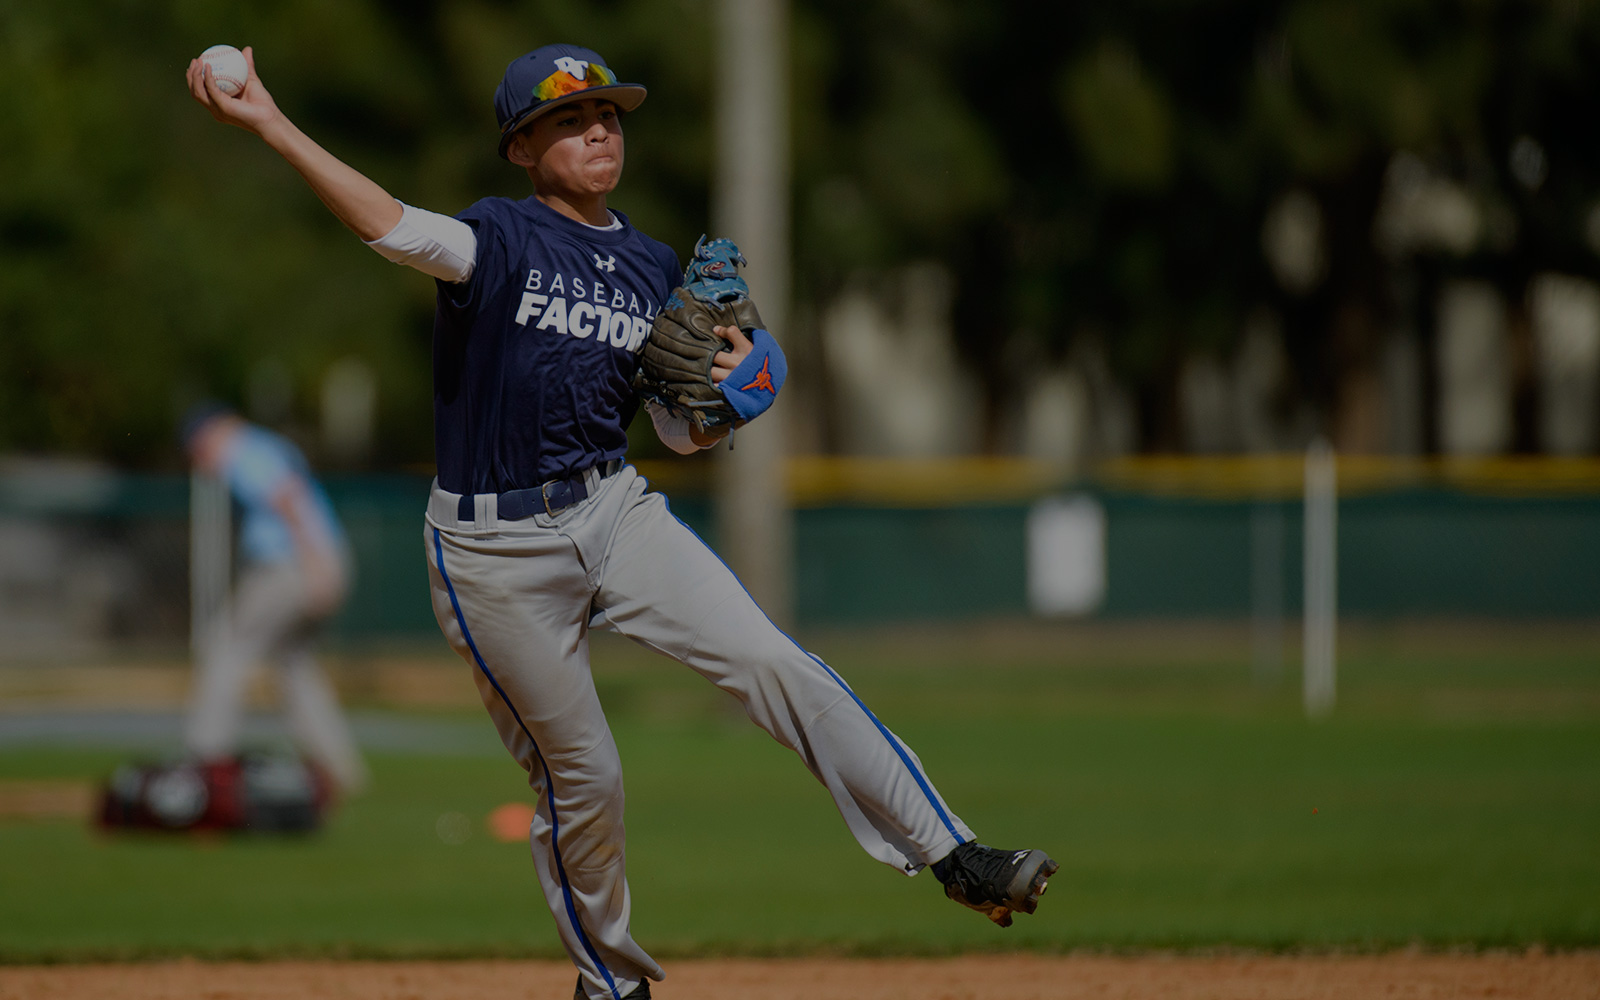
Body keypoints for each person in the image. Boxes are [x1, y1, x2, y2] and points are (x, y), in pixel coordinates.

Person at [186, 42, 1054, 1000]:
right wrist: (269, 123)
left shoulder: (651, 268)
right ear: (521, 148)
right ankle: (611, 985)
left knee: (774, 663)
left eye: (608, 116)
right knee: (586, 778)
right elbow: (396, 230)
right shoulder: (501, 239)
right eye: (569, 119)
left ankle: (954, 854)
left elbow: (679, 432)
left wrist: (732, 393)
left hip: (612, 509)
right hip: (493, 551)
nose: (599, 130)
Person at [180, 403, 368, 798]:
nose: (199, 459)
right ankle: (340, 769)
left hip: (290, 566)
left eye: (198, 447)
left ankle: (205, 758)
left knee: (227, 646)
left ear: (213, 432)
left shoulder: (242, 450)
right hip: (320, 558)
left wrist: (317, 565)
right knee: (294, 665)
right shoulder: (268, 445)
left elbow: (288, 500)